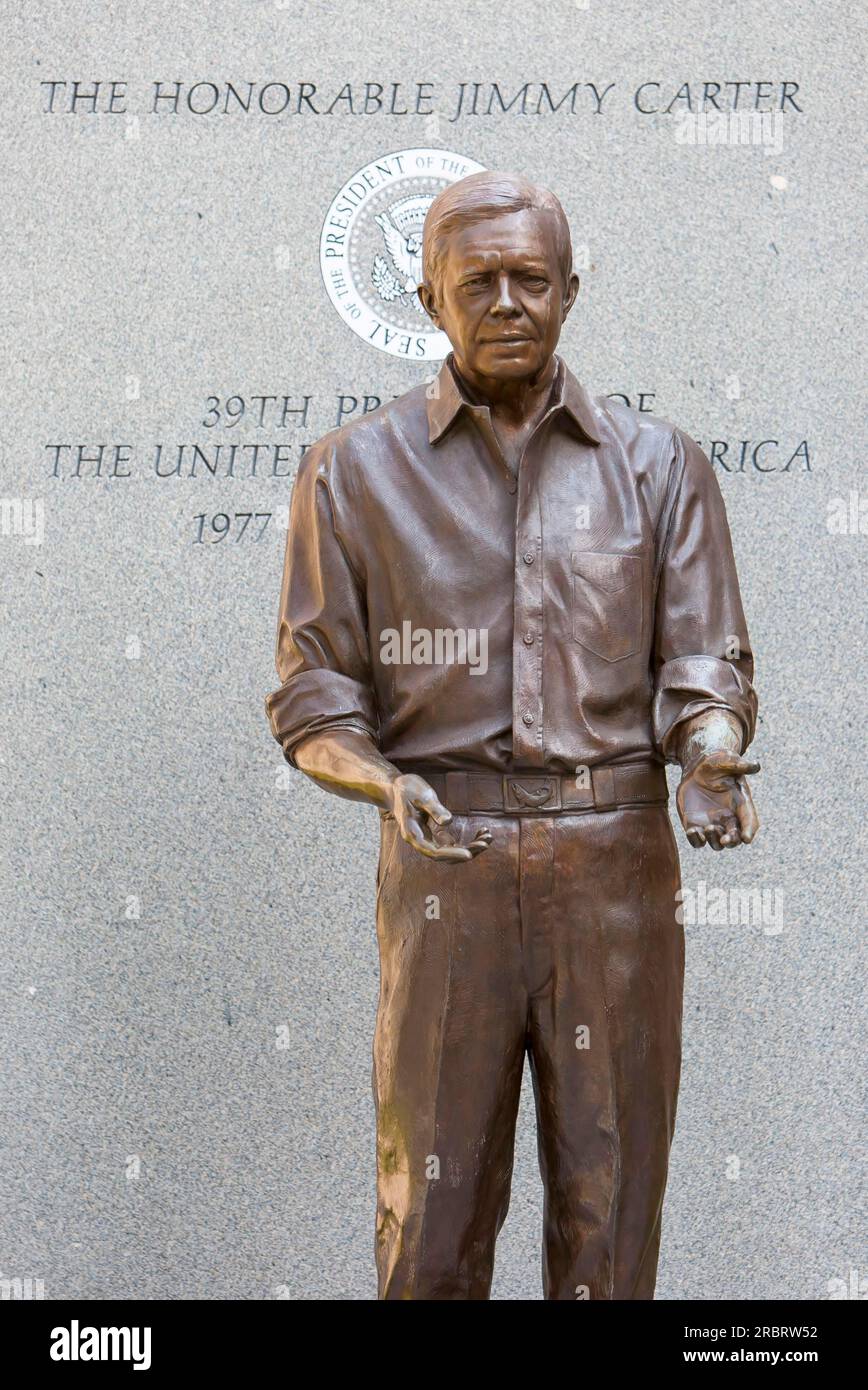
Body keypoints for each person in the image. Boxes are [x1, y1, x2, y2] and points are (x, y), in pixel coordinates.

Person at [265, 170, 760, 1300]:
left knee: (612, 1212)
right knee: (428, 1221)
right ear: (428, 296)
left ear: (570, 291)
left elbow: (703, 661)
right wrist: (381, 786)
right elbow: (313, 693)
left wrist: (709, 753)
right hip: (448, 872)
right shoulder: (350, 473)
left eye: (529, 280)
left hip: (617, 868)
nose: (505, 303)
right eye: (475, 281)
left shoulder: (660, 467)